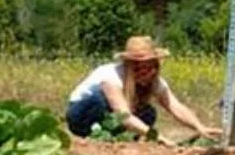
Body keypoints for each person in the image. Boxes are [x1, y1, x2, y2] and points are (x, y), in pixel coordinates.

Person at [65, 36, 222, 144]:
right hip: (83, 114)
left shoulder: (156, 82)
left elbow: (175, 106)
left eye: (149, 66)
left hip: (110, 119)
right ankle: (91, 137)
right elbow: (124, 115)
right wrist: (157, 136)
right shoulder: (110, 76)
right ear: (129, 65)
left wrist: (199, 127)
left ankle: (114, 139)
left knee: (148, 112)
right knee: (96, 99)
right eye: (138, 67)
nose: (144, 71)